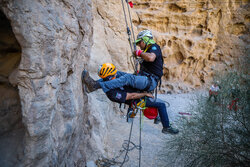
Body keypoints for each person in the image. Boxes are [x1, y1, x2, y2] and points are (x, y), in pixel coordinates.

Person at [83, 63, 179, 135]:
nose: (116, 75)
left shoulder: (115, 76)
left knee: (128, 77)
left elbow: (128, 77)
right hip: (138, 99)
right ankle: (166, 127)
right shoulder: (111, 94)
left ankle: (93, 86)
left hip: (139, 91)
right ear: (109, 77)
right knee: (161, 105)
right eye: (114, 74)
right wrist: (144, 93)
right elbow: (131, 96)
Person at [82, 29, 163, 94]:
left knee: (127, 78)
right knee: (116, 73)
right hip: (145, 78)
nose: (138, 45)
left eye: (139, 43)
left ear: (144, 41)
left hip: (150, 81)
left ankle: (96, 85)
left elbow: (151, 58)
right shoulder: (147, 50)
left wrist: (139, 53)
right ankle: (93, 85)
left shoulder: (154, 47)